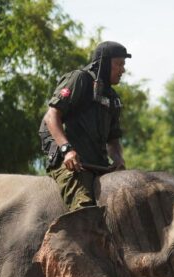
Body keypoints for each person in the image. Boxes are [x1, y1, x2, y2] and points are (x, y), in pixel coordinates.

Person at [39, 41, 130, 212]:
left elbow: (113, 139)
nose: (122, 70)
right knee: (85, 212)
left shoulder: (112, 97)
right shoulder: (79, 79)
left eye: (123, 65)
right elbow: (51, 116)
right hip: (69, 164)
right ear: (103, 64)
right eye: (119, 64)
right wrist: (67, 150)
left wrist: (118, 158)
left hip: (99, 166)